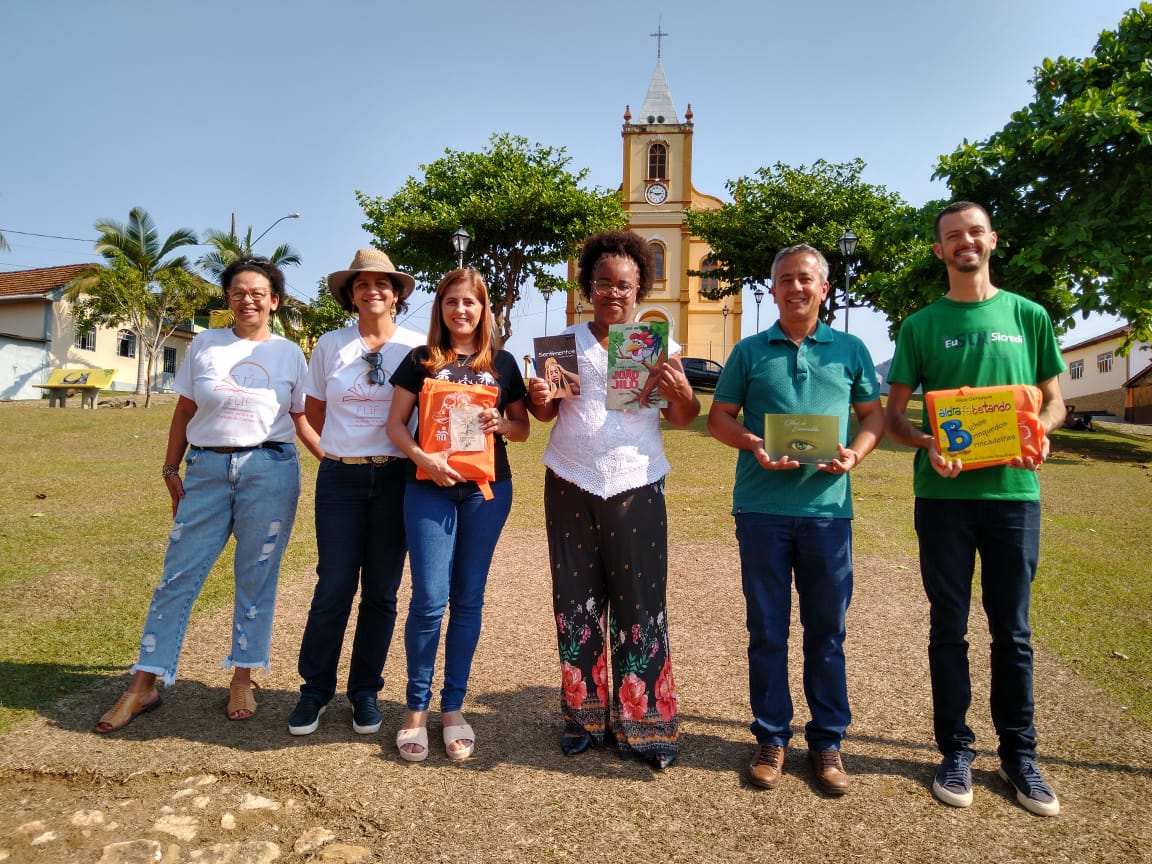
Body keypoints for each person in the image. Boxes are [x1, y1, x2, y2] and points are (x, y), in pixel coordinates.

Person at [885, 202, 1067, 817]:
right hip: (944, 501)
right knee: (949, 630)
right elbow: (893, 419)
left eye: (973, 232)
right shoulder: (920, 325)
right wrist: (928, 443)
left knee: (1013, 633)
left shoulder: (1029, 315)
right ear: (939, 250)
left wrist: (1039, 431)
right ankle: (955, 750)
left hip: (1014, 498)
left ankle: (1021, 757)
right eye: (951, 236)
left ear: (992, 239)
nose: (964, 242)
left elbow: (1054, 401)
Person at [94, 257, 321, 734]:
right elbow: (185, 408)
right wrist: (169, 466)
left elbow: (300, 417)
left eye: (259, 292)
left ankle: (243, 676)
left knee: (256, 577)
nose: (248, 299)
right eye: (238, 291)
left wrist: (335, 460)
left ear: (274, 301)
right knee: (177, 574)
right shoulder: (206, 344)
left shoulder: (290, 354)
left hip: (270, 469)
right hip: (207, 468)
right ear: (228, 299)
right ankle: (144, 683)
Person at [707, 244, 884, 795]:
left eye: (805, 279)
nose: (795, 288)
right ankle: (771, 737)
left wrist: (855, 453)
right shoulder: (749, 351)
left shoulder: (850, 349)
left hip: (828, 511)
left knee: (827, 632)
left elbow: (872, 415)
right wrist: (753, 443)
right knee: (766, 629)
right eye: (785, 279)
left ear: (823, 288)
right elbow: (718, 418)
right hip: (761, 509)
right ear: (773, 289)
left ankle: (827, 743)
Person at [526, 230, 700, 771]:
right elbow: (545, 416)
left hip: (638, 480)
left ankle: (646, 721)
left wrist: (683, 395)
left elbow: (683, 418)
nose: (613, 293)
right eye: (602, 283)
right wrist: (538, 399)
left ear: (640, 288)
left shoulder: (659, 347)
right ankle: (584, 716)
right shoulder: (562, 345)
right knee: (576, 600)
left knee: (640, 603)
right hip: (571, 480)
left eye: (624, 285)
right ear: (588, 286)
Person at [385, 268, 530, 762]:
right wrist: (425, 459)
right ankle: (415, 711)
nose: (461, 310)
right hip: (428, 487)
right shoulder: (419, 360)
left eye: (470, 302)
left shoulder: (503, 364)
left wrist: (501, 422)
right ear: (440, 308)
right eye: (451, 302)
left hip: (486, 492)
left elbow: (523, 429)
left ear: (484, 309)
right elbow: (395, 426)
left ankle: (453, 709)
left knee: (468, 599)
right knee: (428, 599)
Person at [287, 249, 425, 736]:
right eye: (363, 284)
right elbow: (312, 410)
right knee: (333, 587)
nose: (373, 291)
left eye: (383, 284)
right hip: (341, 480)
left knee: (382, 592)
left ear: (397, 293)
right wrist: (334, 452)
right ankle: (315, 690)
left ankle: (364, 691)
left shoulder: (419, 346)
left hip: (395, 479)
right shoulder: (330, 344)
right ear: (350, 294)